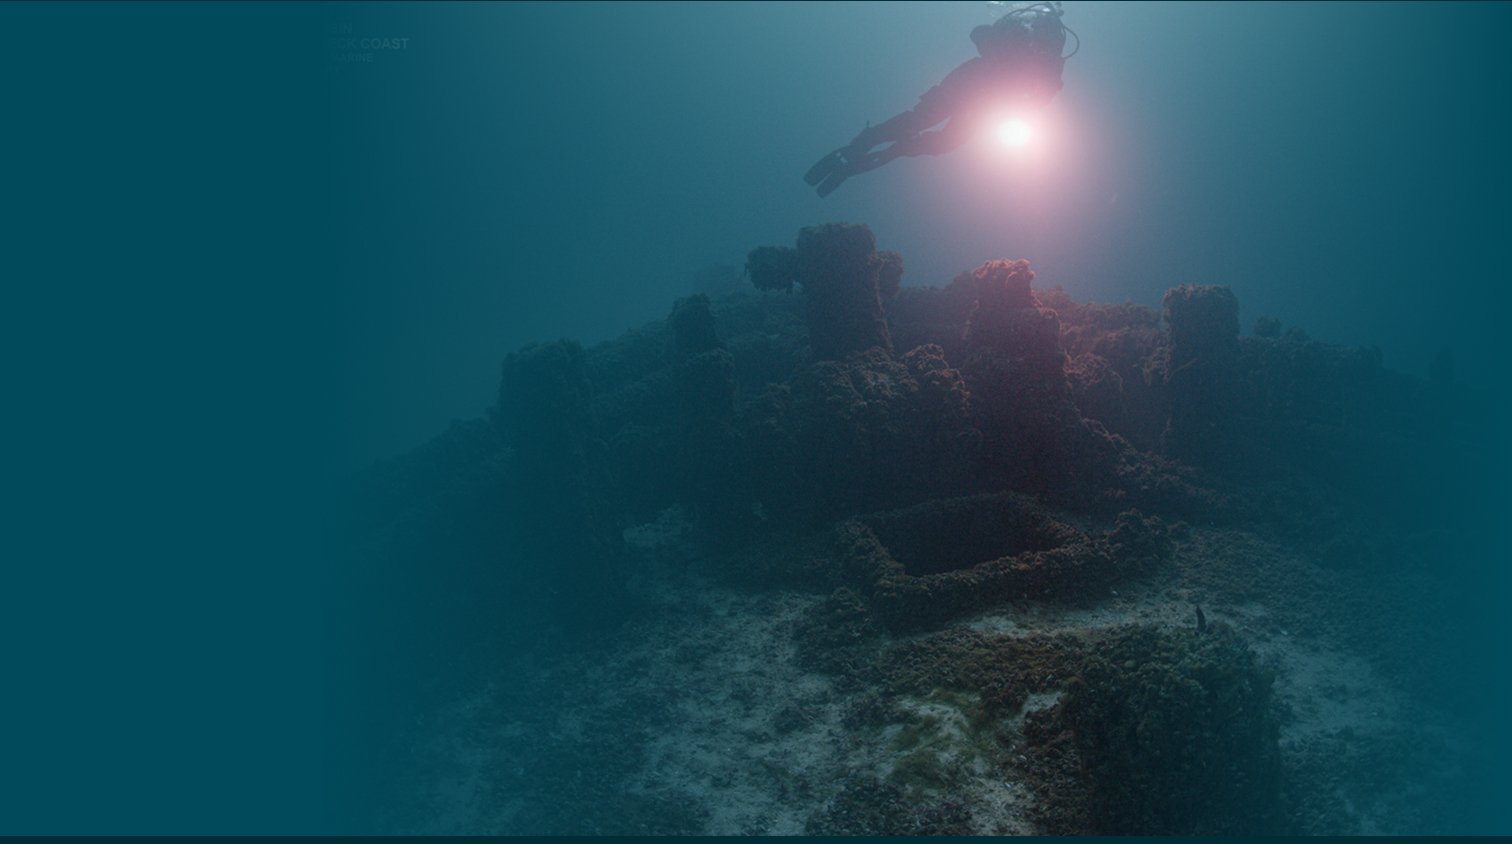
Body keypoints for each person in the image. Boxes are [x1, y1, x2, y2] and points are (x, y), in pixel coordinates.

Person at [804, 2, 1076, 197]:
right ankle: (861, 146)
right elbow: (979, 34)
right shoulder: (1016, 31)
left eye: (1050, 34)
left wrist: (1022, 106)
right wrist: (997, 54)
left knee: (943, 141)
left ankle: (889, 150)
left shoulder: (1053, 57)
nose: (1045, 37)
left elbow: (1045, 94)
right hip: (970, 82)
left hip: (991, 105)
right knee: (918, 120)